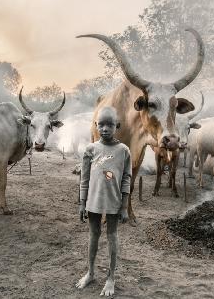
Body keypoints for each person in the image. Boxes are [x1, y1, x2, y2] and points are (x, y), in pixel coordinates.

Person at [75, 106, 132, 296]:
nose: (105, 128)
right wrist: (82, 203)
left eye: (109, 125)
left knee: (112, 235)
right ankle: (90, 272)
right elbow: (84, 179)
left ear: (117, 125)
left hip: (115, 202)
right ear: (96, 126)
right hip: (93, 201)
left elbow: (126, 179)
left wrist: (124, 207)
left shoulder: (123, 151)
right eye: (101, 125)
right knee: (94, 235)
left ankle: (111, 277)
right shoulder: (91, 149)